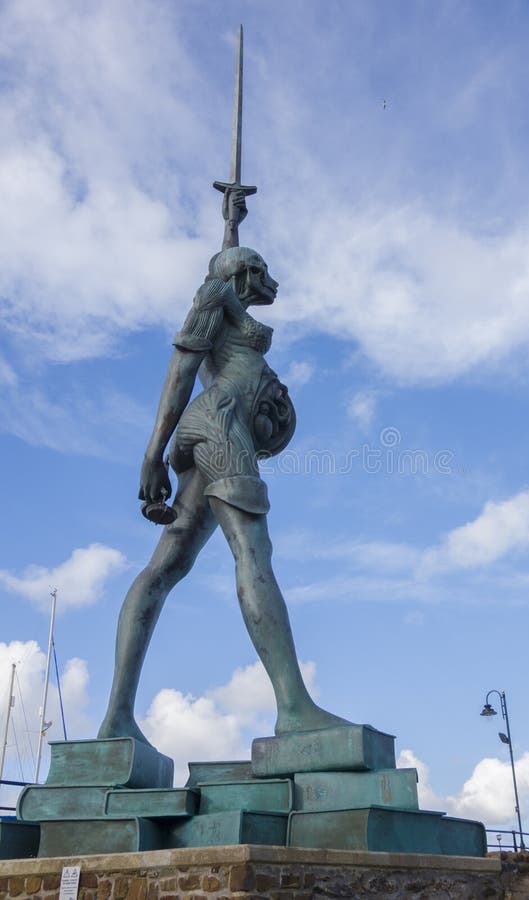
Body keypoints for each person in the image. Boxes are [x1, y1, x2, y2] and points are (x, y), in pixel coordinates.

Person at [98, 190, 348, 746]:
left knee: (163, 569)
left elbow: (222, 271)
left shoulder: (226, 297)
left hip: (218, 431)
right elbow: (181, 370)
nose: (269, 280)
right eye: (261, 271)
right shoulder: (217, 297)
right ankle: (294, 708)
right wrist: (151, 453)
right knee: (253, 551)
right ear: (243, 278)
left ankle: (116, 721)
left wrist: (230, 223)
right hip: (221, 425)